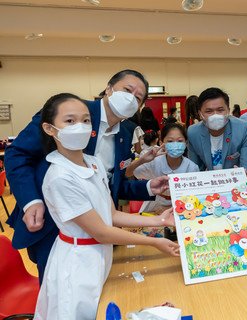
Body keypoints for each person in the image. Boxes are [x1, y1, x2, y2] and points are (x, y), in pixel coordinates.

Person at [5, 69, 166, 282]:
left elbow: (110, 184)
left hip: (99, 228)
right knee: (58, 287)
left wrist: (147, 187)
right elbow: (18, 153)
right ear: (109, 89)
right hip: (53, 222)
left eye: (137, 97)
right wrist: (31, 200)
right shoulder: (71, 112)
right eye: (127, 90)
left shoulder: (126, 133)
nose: (130, 97)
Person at [34, 93, 179, 320]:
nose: (80, 127)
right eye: (69, 121)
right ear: (50, 129)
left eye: (85, 120)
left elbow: (110, 215)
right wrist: (154, 242)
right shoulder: (60, 177)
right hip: (78, 261)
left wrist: (159, 220)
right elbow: (101, 231)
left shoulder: (93, 162)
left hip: (99, 255)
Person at [126, 123, 199, 213]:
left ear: (186, 143)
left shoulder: (192, 167)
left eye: (180, 141)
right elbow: (127, 173)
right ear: (161, 143)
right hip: (156, 205)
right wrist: (142, 160)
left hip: (184, 207)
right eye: (170, 141)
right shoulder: (155, 162)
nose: (175, 145)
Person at [187, 87, 247, 173]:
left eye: (220, 110)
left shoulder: (244, 129)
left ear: (228, 110)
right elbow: (195, 170)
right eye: (209, 111)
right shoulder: (193, 132)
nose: (215, 115)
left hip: (237, 182)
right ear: (200, 114)